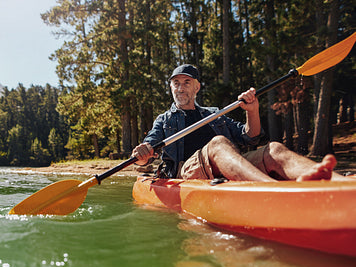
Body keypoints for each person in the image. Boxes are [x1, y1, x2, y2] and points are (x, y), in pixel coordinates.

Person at [132, 64, 347, 182]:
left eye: (186, 83)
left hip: (222, 167)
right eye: (176, 84)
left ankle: (340, 183)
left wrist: (252, 110)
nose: (180, 88)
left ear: (196, 87)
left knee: (274, 149)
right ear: (171, 88)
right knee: (218, 144)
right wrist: (142, 155)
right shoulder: (164, 120)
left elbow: (251, 136)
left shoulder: (214, 115)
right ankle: (273, 192)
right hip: (187, 171)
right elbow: (144, 156)